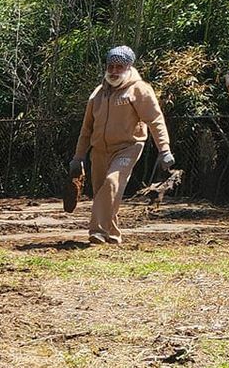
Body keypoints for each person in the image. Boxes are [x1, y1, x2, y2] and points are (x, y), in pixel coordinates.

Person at [70, 46, 175, 245]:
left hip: (128, 147)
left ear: (128, 67)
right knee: (104, 192)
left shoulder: (139, 89)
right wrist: (78, 156)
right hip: (99, 150)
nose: (114, 71)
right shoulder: (98, 93)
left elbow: (155, 120)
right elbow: (87, 128)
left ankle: (97, 232)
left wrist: (165, 149)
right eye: (111, 66)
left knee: (111, 183)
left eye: (119, 67)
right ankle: (113, 234)